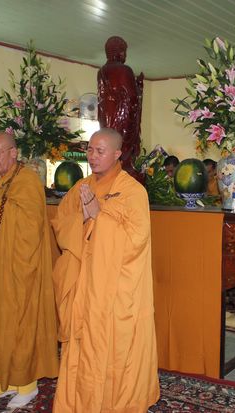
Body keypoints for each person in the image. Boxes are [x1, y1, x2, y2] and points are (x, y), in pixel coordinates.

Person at [51, 128, 160, 412]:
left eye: (100, 151)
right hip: (84, 283)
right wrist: (83, 218)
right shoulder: (81, 186)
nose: (93, 156)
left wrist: (99, 216)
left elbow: (136, 239)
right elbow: (61, 222)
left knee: (113, 348)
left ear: (117, 154)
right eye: (90, 150)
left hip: (114, 290)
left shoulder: (133, 192)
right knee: (82, 343)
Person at [0, 132, 59, 408]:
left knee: (20, 325)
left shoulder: (28, 180)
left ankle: (26, 385)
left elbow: (32, 224)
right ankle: (4, 381)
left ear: (14, 152)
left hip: (21, 268)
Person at [98, 36, 144, 176]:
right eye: (124, 51)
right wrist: (139, 88)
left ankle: (113, 168)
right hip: (122, 118)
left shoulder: (101, 72)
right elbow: (132, 97)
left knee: (110, 146)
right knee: (123, 147)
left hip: (106, 120)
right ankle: (123, 168)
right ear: (118, 52)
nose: (125, 55)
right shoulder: (124, 70)